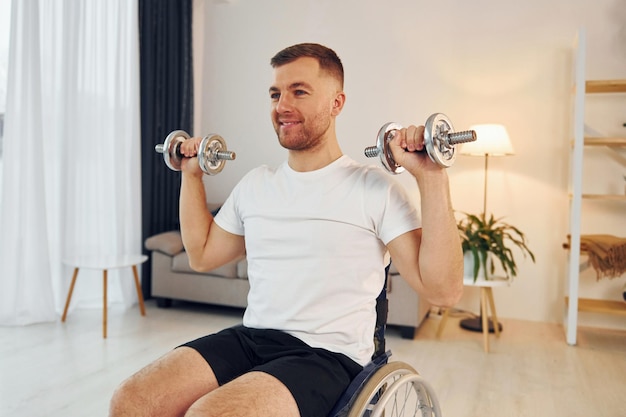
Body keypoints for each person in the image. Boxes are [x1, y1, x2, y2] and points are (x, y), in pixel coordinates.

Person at [109, 43, 463, 417]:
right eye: (275, 94)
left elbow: (443, 291)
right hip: (251, 339)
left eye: (299, 91)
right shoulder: (256, 184)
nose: (282, 106)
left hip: (329, 357)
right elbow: (201, 255)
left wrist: (431, 175)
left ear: (336, 103)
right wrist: (191, 176)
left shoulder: (374, 188)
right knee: (131, 402)